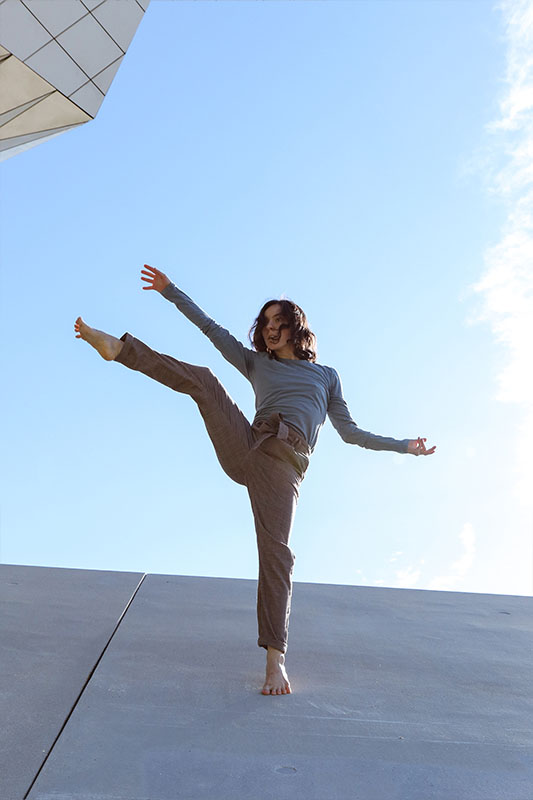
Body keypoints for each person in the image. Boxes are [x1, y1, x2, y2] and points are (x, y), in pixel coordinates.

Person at [74, 264, 436, 696]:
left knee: (277, 555)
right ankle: (120, 349)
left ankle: (274, 662)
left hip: (283, 467)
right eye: (264, 324)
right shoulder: (254, 363)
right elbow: (211, 328)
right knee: (205, 380)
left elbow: (352, 434)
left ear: (296, 329)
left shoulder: (326, 377)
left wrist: (403, 447)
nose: (270, 331)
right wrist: (171, 291)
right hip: (247, 443)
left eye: (279, 323)